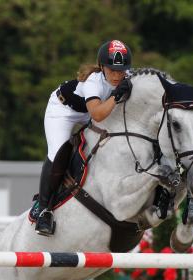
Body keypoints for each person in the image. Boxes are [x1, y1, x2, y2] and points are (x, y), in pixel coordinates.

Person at [34, 39, 133, 236]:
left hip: (94, 111)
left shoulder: (128, 77)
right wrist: (115, 96)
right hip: (63, 110)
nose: (116, 75)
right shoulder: (93, 82)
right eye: (112, 70)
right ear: (102, 66)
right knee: (58, 152)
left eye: (121, 71)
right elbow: (97, 114)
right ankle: (43, 209)